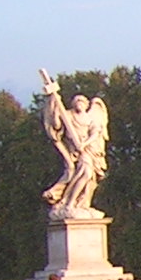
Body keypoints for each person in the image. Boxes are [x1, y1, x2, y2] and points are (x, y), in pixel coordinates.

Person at [37, 69, 108, 216]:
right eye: (76, 102)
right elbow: (56, 125)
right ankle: (69, 203)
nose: (79, 104)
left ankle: (81, 203)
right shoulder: (68, 116)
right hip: (76, 152)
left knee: (89, 179)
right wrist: (53, 103)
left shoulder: (91, 117)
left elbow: (96, 133)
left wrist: (84, 144)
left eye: (82, 102)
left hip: (89, 150)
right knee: (85, 173)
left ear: (86, 104)